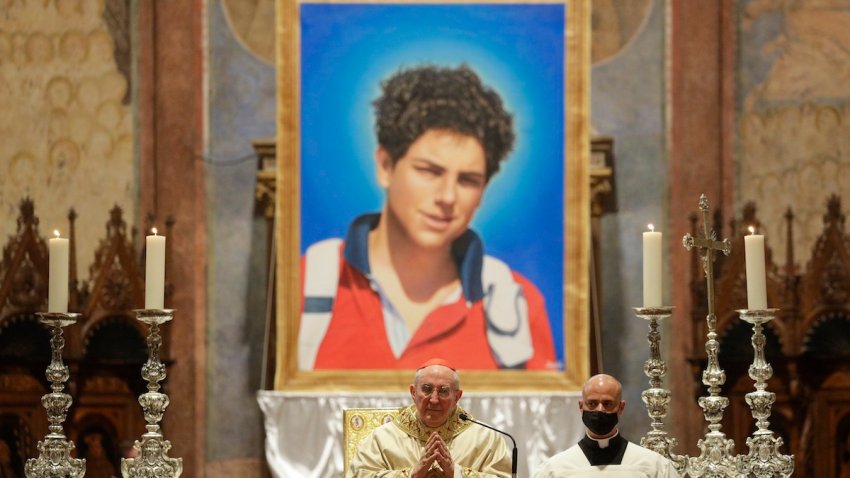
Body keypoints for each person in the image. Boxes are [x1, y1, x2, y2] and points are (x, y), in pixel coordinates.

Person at [298, 64, 557, 371]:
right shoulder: (304, 285)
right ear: (385, 165)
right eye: (429, 171)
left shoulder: (518, 304)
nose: (447, 197)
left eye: (467, 180)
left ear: (483, 190)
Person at [347, 358, 511, 477]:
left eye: (444, 391)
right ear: (413, 392)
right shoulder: (382, 438)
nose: (434, 399)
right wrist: (412, 474)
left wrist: (456, 473)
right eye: (426, 389)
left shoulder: (486, 439)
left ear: (457, 396)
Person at [533, 374, 680, 477]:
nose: (600, 410)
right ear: (581, 406)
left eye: (607, 404)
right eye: (592, 403)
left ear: (621, 408)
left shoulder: (655, 466)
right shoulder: (553, 470)